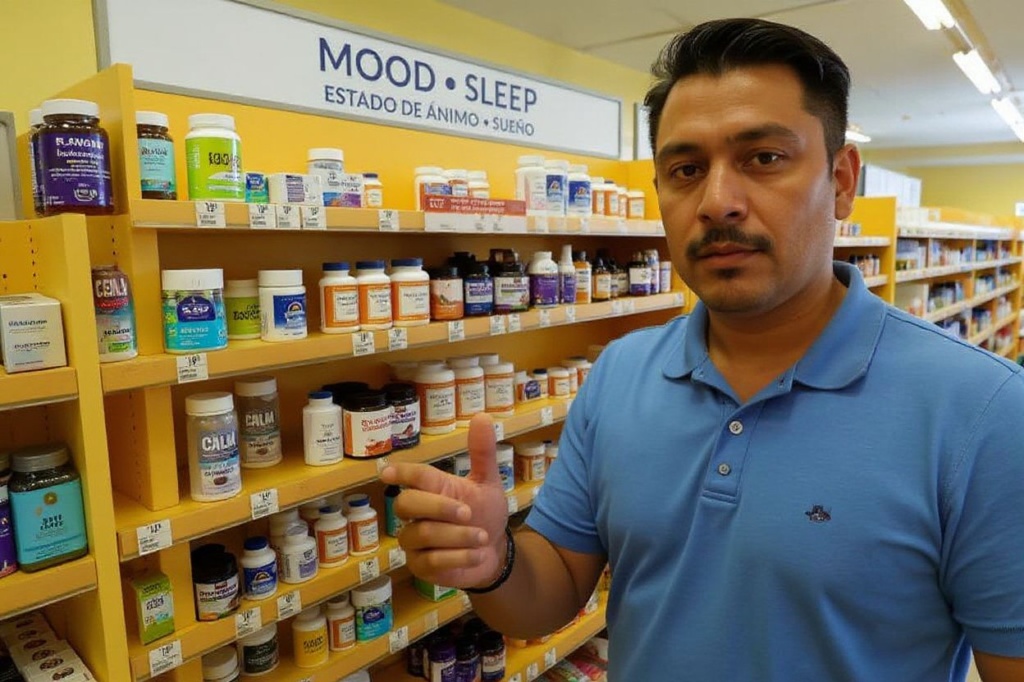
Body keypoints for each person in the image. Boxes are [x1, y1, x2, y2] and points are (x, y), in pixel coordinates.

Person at [381, 17, 1024, 681]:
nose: (718, 202)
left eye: (764, 158)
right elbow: (550, 596)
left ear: (841, 180)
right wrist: (494, 564)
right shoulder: (621, 373)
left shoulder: (985, 413)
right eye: (685, 169)